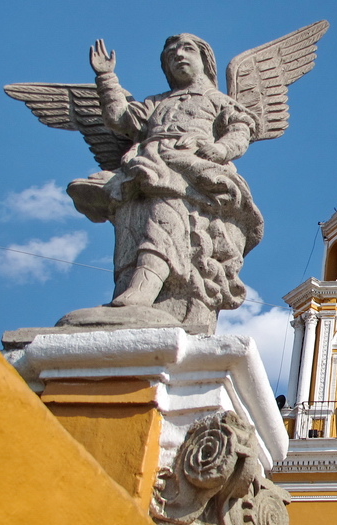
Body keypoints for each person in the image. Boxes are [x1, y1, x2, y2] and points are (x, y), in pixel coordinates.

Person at [70, 34, 263, 328]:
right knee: (130, 222)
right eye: (171, 53)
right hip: (144, 165)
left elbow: (240, 130)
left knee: (165, 213)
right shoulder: (156, 102)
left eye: (187, 50)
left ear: (205, 61)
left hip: (190, 168)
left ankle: (143, 289)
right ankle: (126, 289)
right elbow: (120, 119)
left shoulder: (217, 100)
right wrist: (107, 77)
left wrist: (220, 149)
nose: (178, 56)